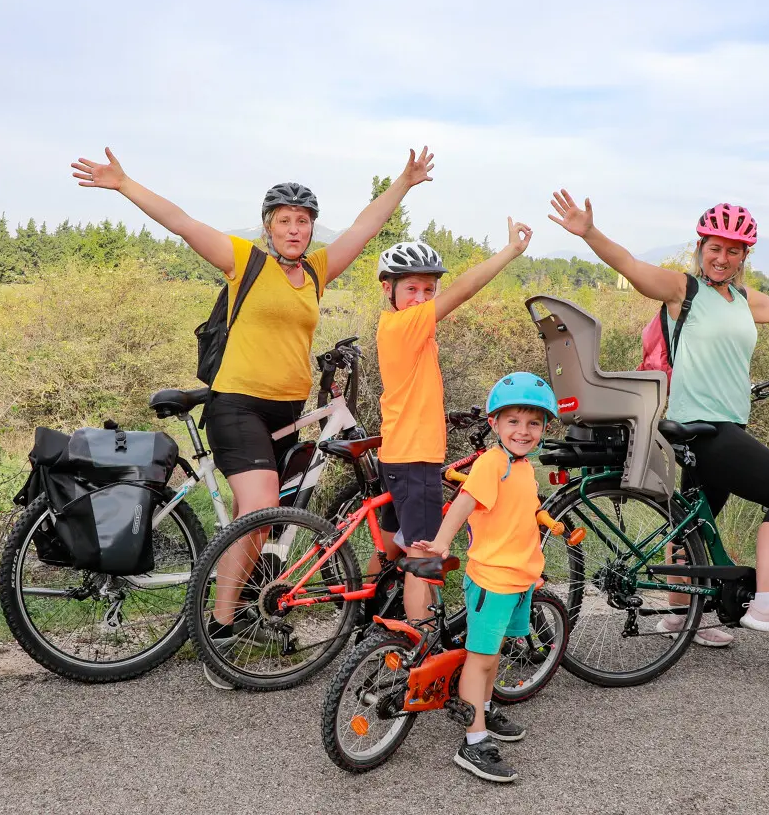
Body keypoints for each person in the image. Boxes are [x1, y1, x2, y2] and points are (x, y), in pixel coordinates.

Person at [70, 145, 436, 689]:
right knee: (262, 503)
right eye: (285, 221)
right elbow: (183, 223)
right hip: (236, 402)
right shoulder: (247, 260)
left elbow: (364, 225)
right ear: (269, 226)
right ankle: (220, 632)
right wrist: (125, 184)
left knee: (272, 516)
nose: (295, 229)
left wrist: (403, 183)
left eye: (303, 221)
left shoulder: (316, 270)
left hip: (287, 408)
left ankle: (248, 607)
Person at [549, 192, 769, 641]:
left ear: (744, 256)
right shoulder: (686, 291)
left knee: (695, 520)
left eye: (733, 250)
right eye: (715, 248)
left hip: (720, 424)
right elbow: (629, 265)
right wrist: (588, 232)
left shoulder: (741, 299)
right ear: (700, 247)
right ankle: (768, 603)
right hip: (704, 426)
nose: (722, 258)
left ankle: (681, 615)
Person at [375, 222, 533, 626]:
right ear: (387, 290)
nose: (422, 298)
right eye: (411, 288)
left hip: (399, 454)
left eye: (429, 290)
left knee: (397, 544)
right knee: (422, 556)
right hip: (415, 459)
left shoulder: (404, 330)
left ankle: (370, 613)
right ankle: (419, 645)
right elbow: (464, 290)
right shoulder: (404, 325)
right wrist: (509, 252)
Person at [413, 372, 556, 784]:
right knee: (481, 659)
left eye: (533, 423)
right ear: (494, 424)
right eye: (513, 421)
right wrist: (441, 544)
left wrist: (534, 561)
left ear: (545, 428)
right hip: (491, 580)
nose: (523, 431)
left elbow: (519, 516)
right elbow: (463, 504)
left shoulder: (524, 467)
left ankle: (485, 707)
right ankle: (473, 743)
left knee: (494, 656)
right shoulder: (492, 464)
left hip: (517, 578)